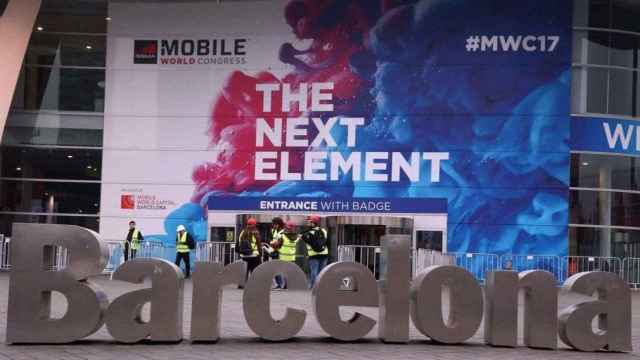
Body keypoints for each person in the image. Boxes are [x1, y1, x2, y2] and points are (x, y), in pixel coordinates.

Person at [301, 215, 328, 288]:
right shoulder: (323, 231)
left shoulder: (307, 233)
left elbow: (307, 242)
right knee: (322, 272)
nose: (308, 223)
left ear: (313, 223)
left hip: (313, 255)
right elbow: (325, 241)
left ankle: (313, 286)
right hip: (324, 253)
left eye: (309, 221)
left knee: (314, 272)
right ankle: (321, 287)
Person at [275, 220, 300, 289]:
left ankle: (284, 285)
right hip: (291, 257)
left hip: (283, 257)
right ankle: (288, 285)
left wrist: (274, 244)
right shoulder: (296, 236)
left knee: (282, 272)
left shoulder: (282, 236)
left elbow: (277, 245)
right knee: (289, 272)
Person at [236, 218, 262, 283]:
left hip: (244, 255)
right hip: (254, 255)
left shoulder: (242, 232)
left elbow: (238, 242)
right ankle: (254, 283)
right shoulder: (255, 232)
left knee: (245, 270)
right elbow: (259, 245)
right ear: (254, 225)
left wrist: (240, 251)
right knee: (254, 270)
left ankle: (242, 284)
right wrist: (260, 254)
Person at [269, 217, 285, 289]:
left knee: (277, 269)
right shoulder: (274, 231)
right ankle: (279, 284)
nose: (273, 225)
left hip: (280, 252)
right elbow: (273, 240)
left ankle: (280, 284)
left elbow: (280, 243)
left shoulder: (283, 232)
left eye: (274, 224)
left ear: (278, 224)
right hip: (274, 251)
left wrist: (274, 243)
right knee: (274, 269)